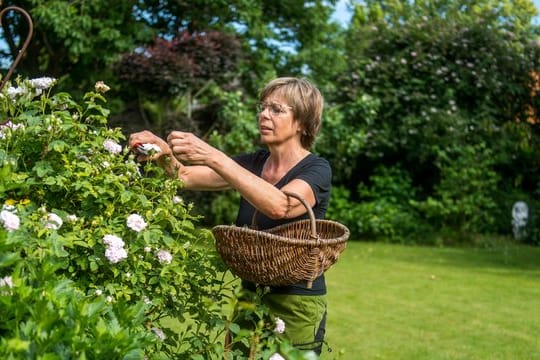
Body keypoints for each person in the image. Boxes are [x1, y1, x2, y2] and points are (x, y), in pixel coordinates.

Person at [128, 77, 331, 355]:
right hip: (250, 295)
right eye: (263, 107)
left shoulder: (317, 169)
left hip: (296, 302)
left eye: (277, 109)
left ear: (302, 123)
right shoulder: (254, 162)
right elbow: (184, 175)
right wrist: (162, 151)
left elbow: (281, 205)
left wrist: (215, 157)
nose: (264, 114)